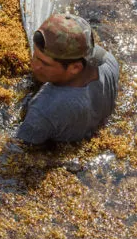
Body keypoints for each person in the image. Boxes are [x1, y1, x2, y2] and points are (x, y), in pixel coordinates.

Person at [16, 13, 119, 145]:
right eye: (35, 55)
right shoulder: (109, 62)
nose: (33, 65)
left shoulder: (43, 110)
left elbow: (20, 148)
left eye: (44, 63)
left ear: (75, 68)